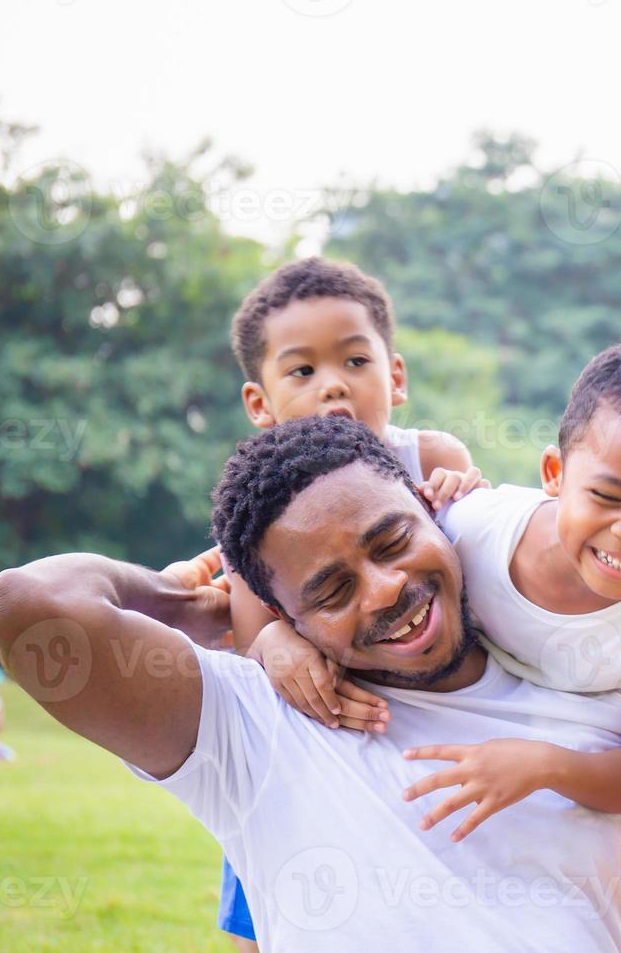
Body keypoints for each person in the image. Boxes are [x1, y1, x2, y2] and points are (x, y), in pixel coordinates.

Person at [0, 417, 621, 948]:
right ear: (284, 616)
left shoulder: (595, 718)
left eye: (393, 541)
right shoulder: (248, 724)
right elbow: (30, 605)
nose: (386, 589)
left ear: (436, 511)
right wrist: (204, 609)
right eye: (331, 589)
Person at [259, 340, 621, 832]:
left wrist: (542, 766)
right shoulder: (468, 530)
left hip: (593, 760)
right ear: (554, 473)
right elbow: (319, 583)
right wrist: (275, 639)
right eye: (605, 496)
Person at [215, 255, 489, 948]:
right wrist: (278, 643)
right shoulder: (263, 504)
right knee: (275, 883)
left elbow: (479, 569)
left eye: (355, 362)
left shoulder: (431, 456)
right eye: (302, 371)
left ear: (395, 376)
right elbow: (256, 638)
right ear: (261, 403)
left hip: (430, 718)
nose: (334, 386)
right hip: (314, 733)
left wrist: (465, 497)